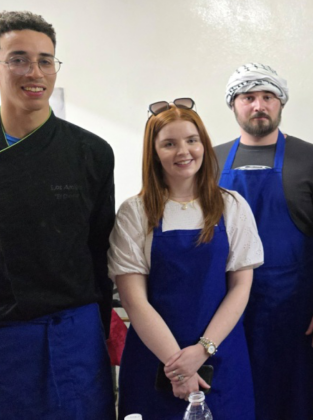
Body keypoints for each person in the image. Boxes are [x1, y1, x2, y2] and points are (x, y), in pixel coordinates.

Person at [0, 10, 116, 418]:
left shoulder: (91, 152)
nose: (35, 71)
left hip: (75, 336)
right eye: (19, 59)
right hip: (0, 340)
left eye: (46, 60)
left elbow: (99, 250)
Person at [111, 100, 262, 419]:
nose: (184, 151)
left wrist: (202, 350)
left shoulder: (231, 207)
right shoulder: (135, 213)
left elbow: (241, 288)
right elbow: (134, 301)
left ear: (204, 145)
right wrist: (178, 367)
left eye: (191, 140)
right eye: (169, 143)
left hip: (219, 356)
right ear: (153, 152)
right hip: (154, 362)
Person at [214, 63, 313, 419]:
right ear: (233, 104)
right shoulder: (210, 159)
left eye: (267, 96)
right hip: (226, 311)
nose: (258, 105)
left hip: (295, 309)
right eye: (248, 97)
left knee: (293, 399)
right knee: (235, 397)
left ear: (281, 103)